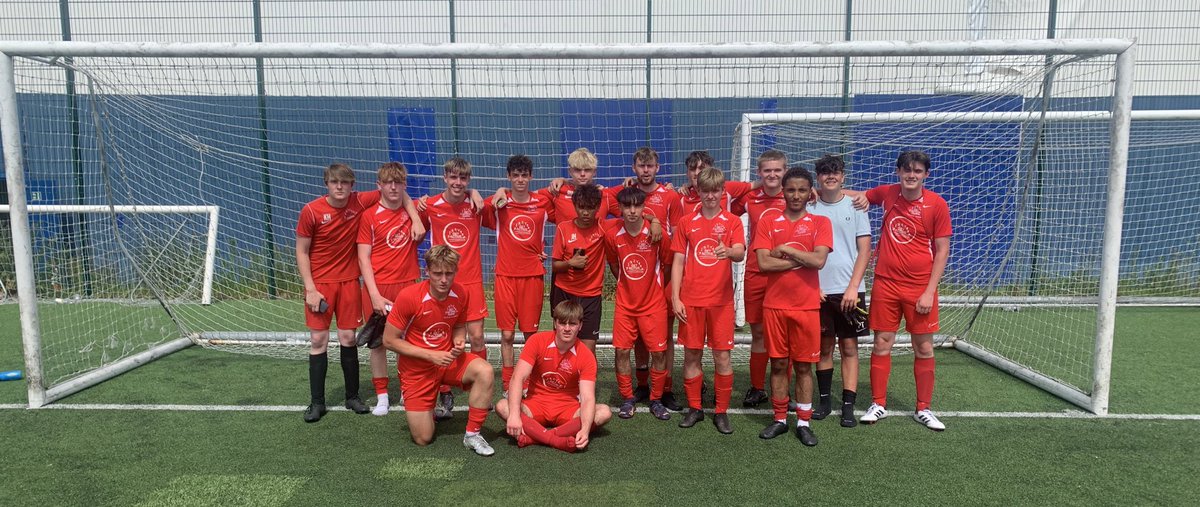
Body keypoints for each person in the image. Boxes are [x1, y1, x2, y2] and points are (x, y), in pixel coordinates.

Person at [295, 162, 418, 423]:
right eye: (334, 182)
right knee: (318, 341)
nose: (339, 187)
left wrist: (416, 218)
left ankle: (353, 397)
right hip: (320, 285)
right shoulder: (311, 211)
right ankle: (317, 402)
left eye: (345, 182)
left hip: (350, 282)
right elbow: (302, 251)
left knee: (348, 338)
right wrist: (310, 288)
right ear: (326, 184)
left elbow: (399, 192)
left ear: (353, 186)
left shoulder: (359, 202)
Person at [850, 150, 952, 431]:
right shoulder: (888, 194)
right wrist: (820, 191)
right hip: (886, 284)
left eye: (918, 171)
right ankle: (878, 403)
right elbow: (859, 196)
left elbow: (942, 251)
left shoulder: (937, 205)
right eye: (907, 170)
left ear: (926, 175)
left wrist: (930, 290)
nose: (912, 175)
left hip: (920, 287)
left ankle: (923, 408)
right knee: (882, 342)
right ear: (898, 172)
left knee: (924, 346)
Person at [381, 246, 496, 456]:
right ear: (427, 272)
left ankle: (472, 435)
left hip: (447, 361)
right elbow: (389, 341)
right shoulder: (409, 296)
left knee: (485, 371)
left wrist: (459, 340)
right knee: (423, 438)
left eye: (449, 273)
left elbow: (459, 325)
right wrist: (431, 355)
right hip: (417, 370)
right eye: (437, 273)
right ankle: (427, 404)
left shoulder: (461, 292)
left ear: (455, 271)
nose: (443, 279)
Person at [752, 167, 832, 446]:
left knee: (803, 367)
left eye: (801, 190)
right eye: (790, 189)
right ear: (783, 192)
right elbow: (764, 264)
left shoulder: (820, 222)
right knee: (778, 365)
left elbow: (819, 260)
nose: (795, 195)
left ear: (810, 193)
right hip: (774, 307)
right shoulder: (768, 222)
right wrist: (802, 259)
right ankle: (779, 420)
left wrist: (786, 248)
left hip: (806, 307)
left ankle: (804, 422)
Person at [670, 167, 746, 434]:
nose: (711, 196)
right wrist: (675, 297)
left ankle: (721, 412)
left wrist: (729, 251)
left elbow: (739, 251)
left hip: (720, 302)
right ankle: (695, 408)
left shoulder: (733, 221)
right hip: (691, 301)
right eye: (706, 191)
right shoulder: (686, 222)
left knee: (722, 357)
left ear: (722, 191)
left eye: (716, 190)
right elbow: (678, 260)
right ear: (698, 192)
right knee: (691, 355)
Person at [417, 157, 493, 421]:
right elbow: (408, 214)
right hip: (443, 282)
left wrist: (479, 194)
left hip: (471, 280)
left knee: (477, 335)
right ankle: (444, 390)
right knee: (442, 337)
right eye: (453, 177)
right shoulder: (430, 205)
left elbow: (506, 198)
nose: (458, 183)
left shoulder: (475, 205)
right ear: (445, 178)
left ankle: (480, 385)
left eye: (463, 179)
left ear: (468, 181)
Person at [356, 162, 427, 416]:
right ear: (379, 186)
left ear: (405, 185)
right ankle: (382, 396)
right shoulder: (369, 216)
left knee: (407, 341)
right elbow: (363, 258)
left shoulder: (414, 209)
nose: (394, 187)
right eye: (388, 182)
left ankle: (408, 391)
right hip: (378, 287)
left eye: (398, 182)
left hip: (408, 286)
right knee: (378, 344)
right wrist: (374, 294)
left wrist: (417, 216)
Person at [496, 300, 613, 452]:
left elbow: (588, 397)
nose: (567, 328)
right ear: (555, 323)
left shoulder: (586, 356)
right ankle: (556, 440)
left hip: (567, 409)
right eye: (562, 323)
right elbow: (517, 378)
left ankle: (535, 437)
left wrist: (585, 430)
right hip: (535, 405)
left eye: (572, 324)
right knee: (503, 406)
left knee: (604, 412)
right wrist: (514, 416)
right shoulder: (537, 341)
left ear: (580, 325)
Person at [808, 155, 872, 428]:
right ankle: (824, 402)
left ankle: (848, 406)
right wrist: (813, 287)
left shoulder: (857, 206)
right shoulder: (809, 207)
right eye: (824, 173)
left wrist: (853, 288)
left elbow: (865, 250)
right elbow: (805, 251)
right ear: (818, 177)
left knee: (849, 347)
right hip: (817, 291)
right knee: (823, 348)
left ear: (843, 176)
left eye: (835, 172)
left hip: (850, 290)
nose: (830, 176)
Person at [484, 155, 554, 392]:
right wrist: (498, 191)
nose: (521, 179)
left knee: (530, 335)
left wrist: (561, 178)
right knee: (506, 334)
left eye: (525, 175)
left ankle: (527, 382)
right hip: (505, 276)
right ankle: (507, 384)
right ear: (509, 177)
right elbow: (473, 203)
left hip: (533, 276)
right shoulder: (499, 203)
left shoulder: (543, 202)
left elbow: (566, 203)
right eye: (516, 175)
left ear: (531, 176)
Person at [620, 147, 681, 410]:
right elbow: (593, 194)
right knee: (639, 341)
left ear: (658, 167)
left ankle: (665, 389)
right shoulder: (626, 192)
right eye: (641, 166)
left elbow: (676, 239)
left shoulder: (670, 195)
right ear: (634, 168)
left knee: (663, 339)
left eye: (650, 166)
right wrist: (651, 218)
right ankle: (643, 387)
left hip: (662, 277)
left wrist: (656, 222)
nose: (646, 170)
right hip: (636, 278)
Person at [605, 187, 673, 421]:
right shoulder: (612, 234)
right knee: (622, 351)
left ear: (644, 208)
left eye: (637, 206)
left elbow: (667, 264)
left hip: (654, 304)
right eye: (627, 206)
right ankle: (627, 398)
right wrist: (628, 286)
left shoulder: (656, 233)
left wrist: (653, 289)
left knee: (659, 352)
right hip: (625, 304)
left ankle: (655, 399)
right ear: (620, 209)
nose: (632, 211)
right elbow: (614, 266)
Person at [731, 149, 788, 408]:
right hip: (755, 271)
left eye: (777, 170)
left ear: (785, 171)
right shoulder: (751, 198)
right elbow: (724, 205)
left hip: (786, 274)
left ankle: (783, 390)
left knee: (783, 333)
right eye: (767, 170)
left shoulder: (798, 195)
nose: (772, 175)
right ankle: (757, 388)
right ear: (759, 173)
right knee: (758, 333)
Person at [550, 183, 608, 351]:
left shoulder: (603, 227)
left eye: (590, 208)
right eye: (581, 207)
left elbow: (630, 216)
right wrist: (570, 263)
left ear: (597, 207)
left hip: (591, 295)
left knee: (587, 349)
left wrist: (653, 220)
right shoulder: (563, 228)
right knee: (562, 344)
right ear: (574, 206)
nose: (585, 212)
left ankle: (586, 378)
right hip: (564, 292)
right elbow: (554, 266)